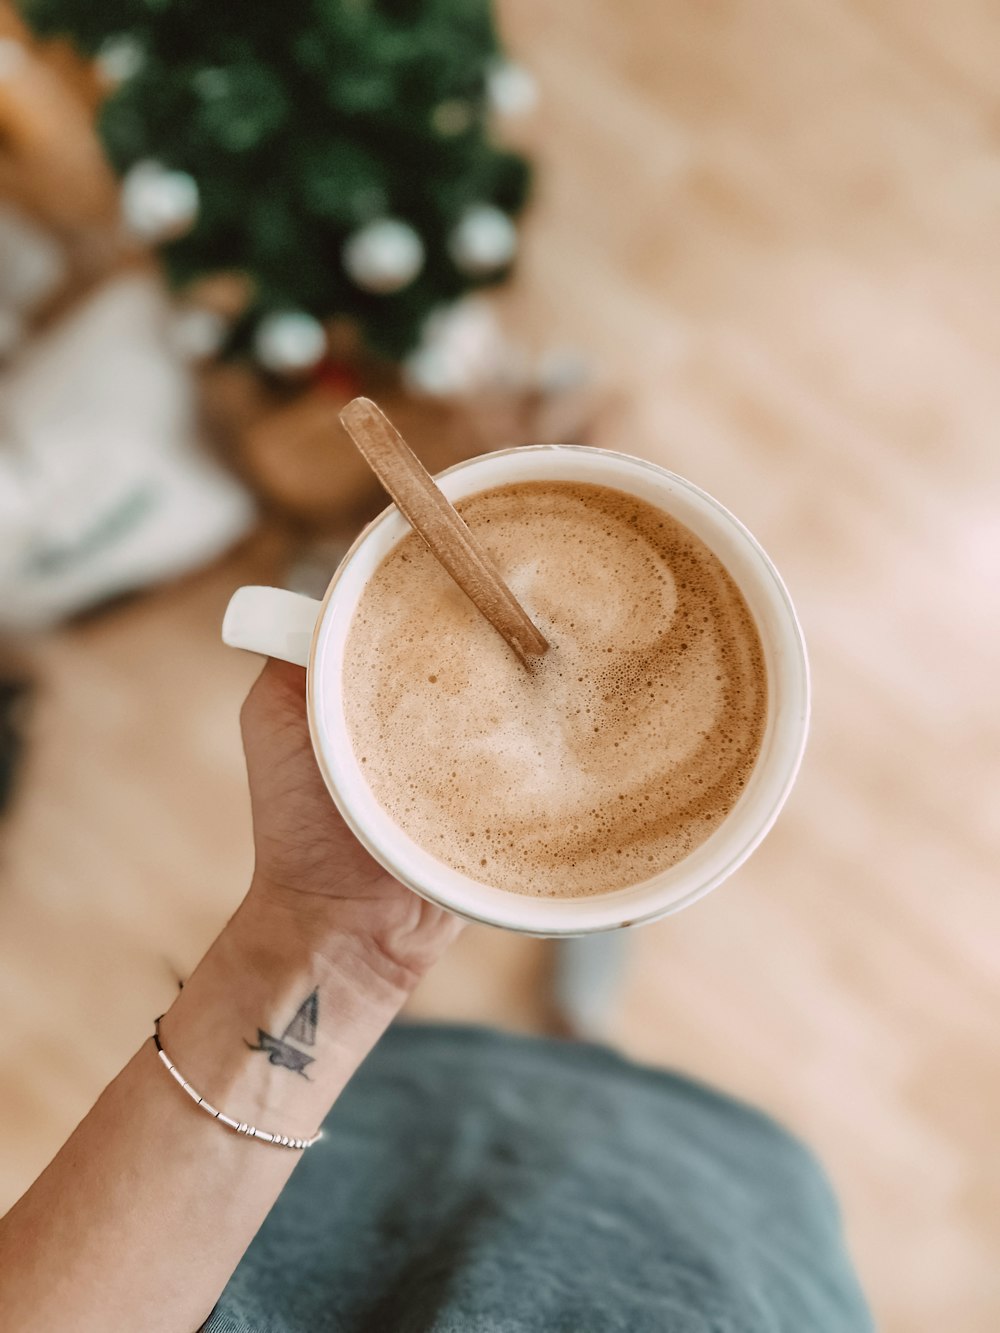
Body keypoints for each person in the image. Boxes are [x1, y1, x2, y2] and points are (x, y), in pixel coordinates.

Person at [0, 661, 872, 1332]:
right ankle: (574, 1035)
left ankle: (400, 1025)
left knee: (379, 1113)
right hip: (716, 1245)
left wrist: (329, 941)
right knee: (627, 1131)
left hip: (330, 1257)